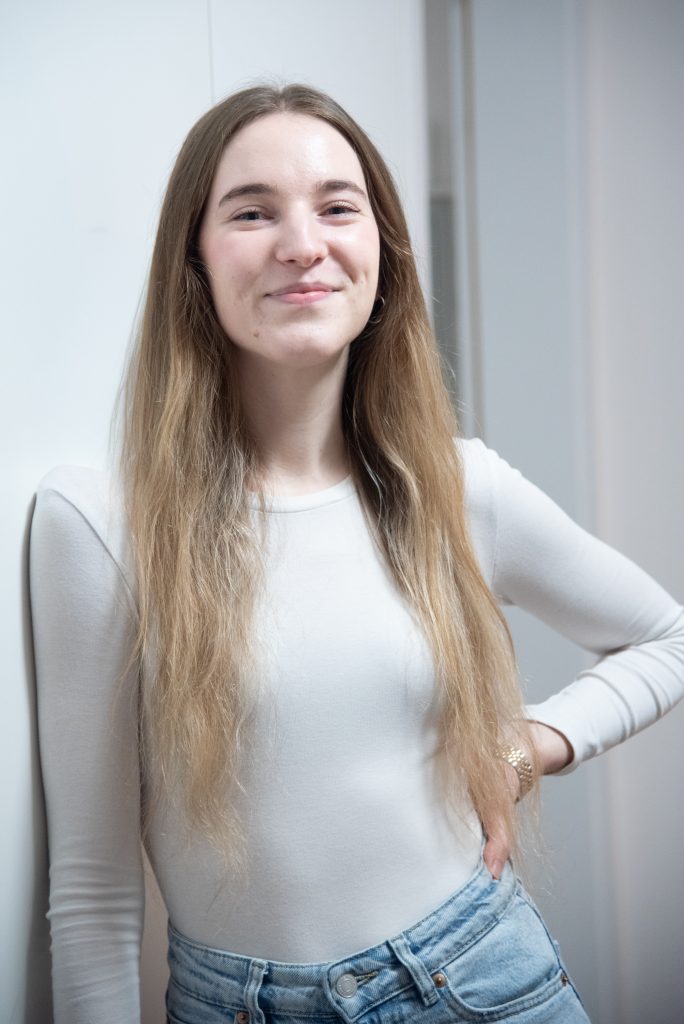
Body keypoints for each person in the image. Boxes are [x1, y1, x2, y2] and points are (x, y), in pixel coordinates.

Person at [29, 83, 684, 1024]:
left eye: (339, 207)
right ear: (194, 262)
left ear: (382, 254)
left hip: (482, 981)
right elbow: (91, 893)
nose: (303, 243)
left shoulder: (457, 490)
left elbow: (666, 635)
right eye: (252, 212)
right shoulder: (101, 526)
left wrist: (523, 747)